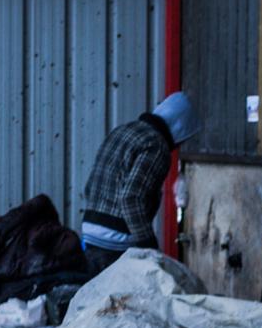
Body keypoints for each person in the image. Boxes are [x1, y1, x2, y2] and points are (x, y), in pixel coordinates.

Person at [79, 92, 201, 255]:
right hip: (116, 239)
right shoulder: (157, 146)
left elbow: (90, 186)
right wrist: (149, 247)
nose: (179, 146)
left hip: (89, 230)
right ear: (179, 130)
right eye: (183, 140)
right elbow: (131, 198)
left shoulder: (122, 131)